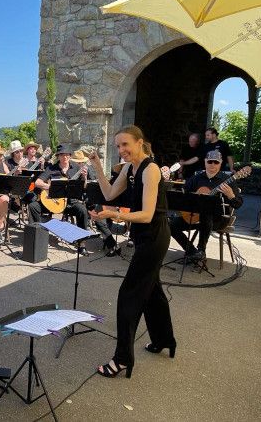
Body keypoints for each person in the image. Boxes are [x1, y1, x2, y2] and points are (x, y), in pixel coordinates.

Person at [88, 125, 175, 379]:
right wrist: (96, 165)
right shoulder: (129, 169)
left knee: (129, 296)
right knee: (153, 292)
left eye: (125, 144)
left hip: (155, 238)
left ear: (139, 142)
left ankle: (122, 359)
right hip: (143, 237)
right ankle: (165, 339)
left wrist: (114, 214)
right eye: (117, 146)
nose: (121, 150)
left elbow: (147, 215)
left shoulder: (150, 170)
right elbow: (109, 193)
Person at [169, 150, 243, 261]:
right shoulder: (196, 178)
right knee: (171, 225)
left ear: (221, 163)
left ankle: (201, 250)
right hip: (196, 216)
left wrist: (231, 195)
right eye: (210, 162)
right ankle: (192, 251)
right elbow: (183, 193)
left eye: (216, 162)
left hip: (219, 219)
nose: (212, 164)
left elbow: (238, 204)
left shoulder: (227, 180)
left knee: (207, 212)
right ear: (205, 162)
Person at [29, 144, 90, 255]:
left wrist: (84, 178)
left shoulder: (76, 168)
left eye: (67, 155)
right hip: (53, 202)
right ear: (58, 156)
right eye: (62, 155)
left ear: (70, 156)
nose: (65, 157)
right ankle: (38, 236)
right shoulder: (51, 168)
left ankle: (81, 243)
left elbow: (84, 187)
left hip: (70, 203)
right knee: (33, 206)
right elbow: (37, 183)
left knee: (82, 210)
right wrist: (51, 188)